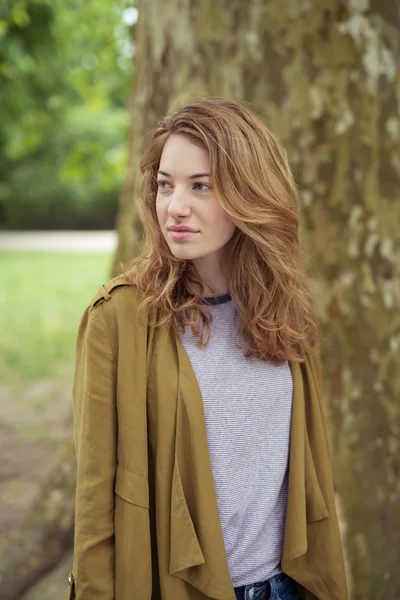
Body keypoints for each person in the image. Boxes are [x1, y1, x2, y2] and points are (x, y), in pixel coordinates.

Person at [65, 98, 348, 600]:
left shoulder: (285, 310)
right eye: (165, 184)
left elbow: (304, 478)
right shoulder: (119, 319)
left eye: (201, 186)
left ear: (249, 194)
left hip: (287, 587)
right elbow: (95, 512)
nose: (175, 206)